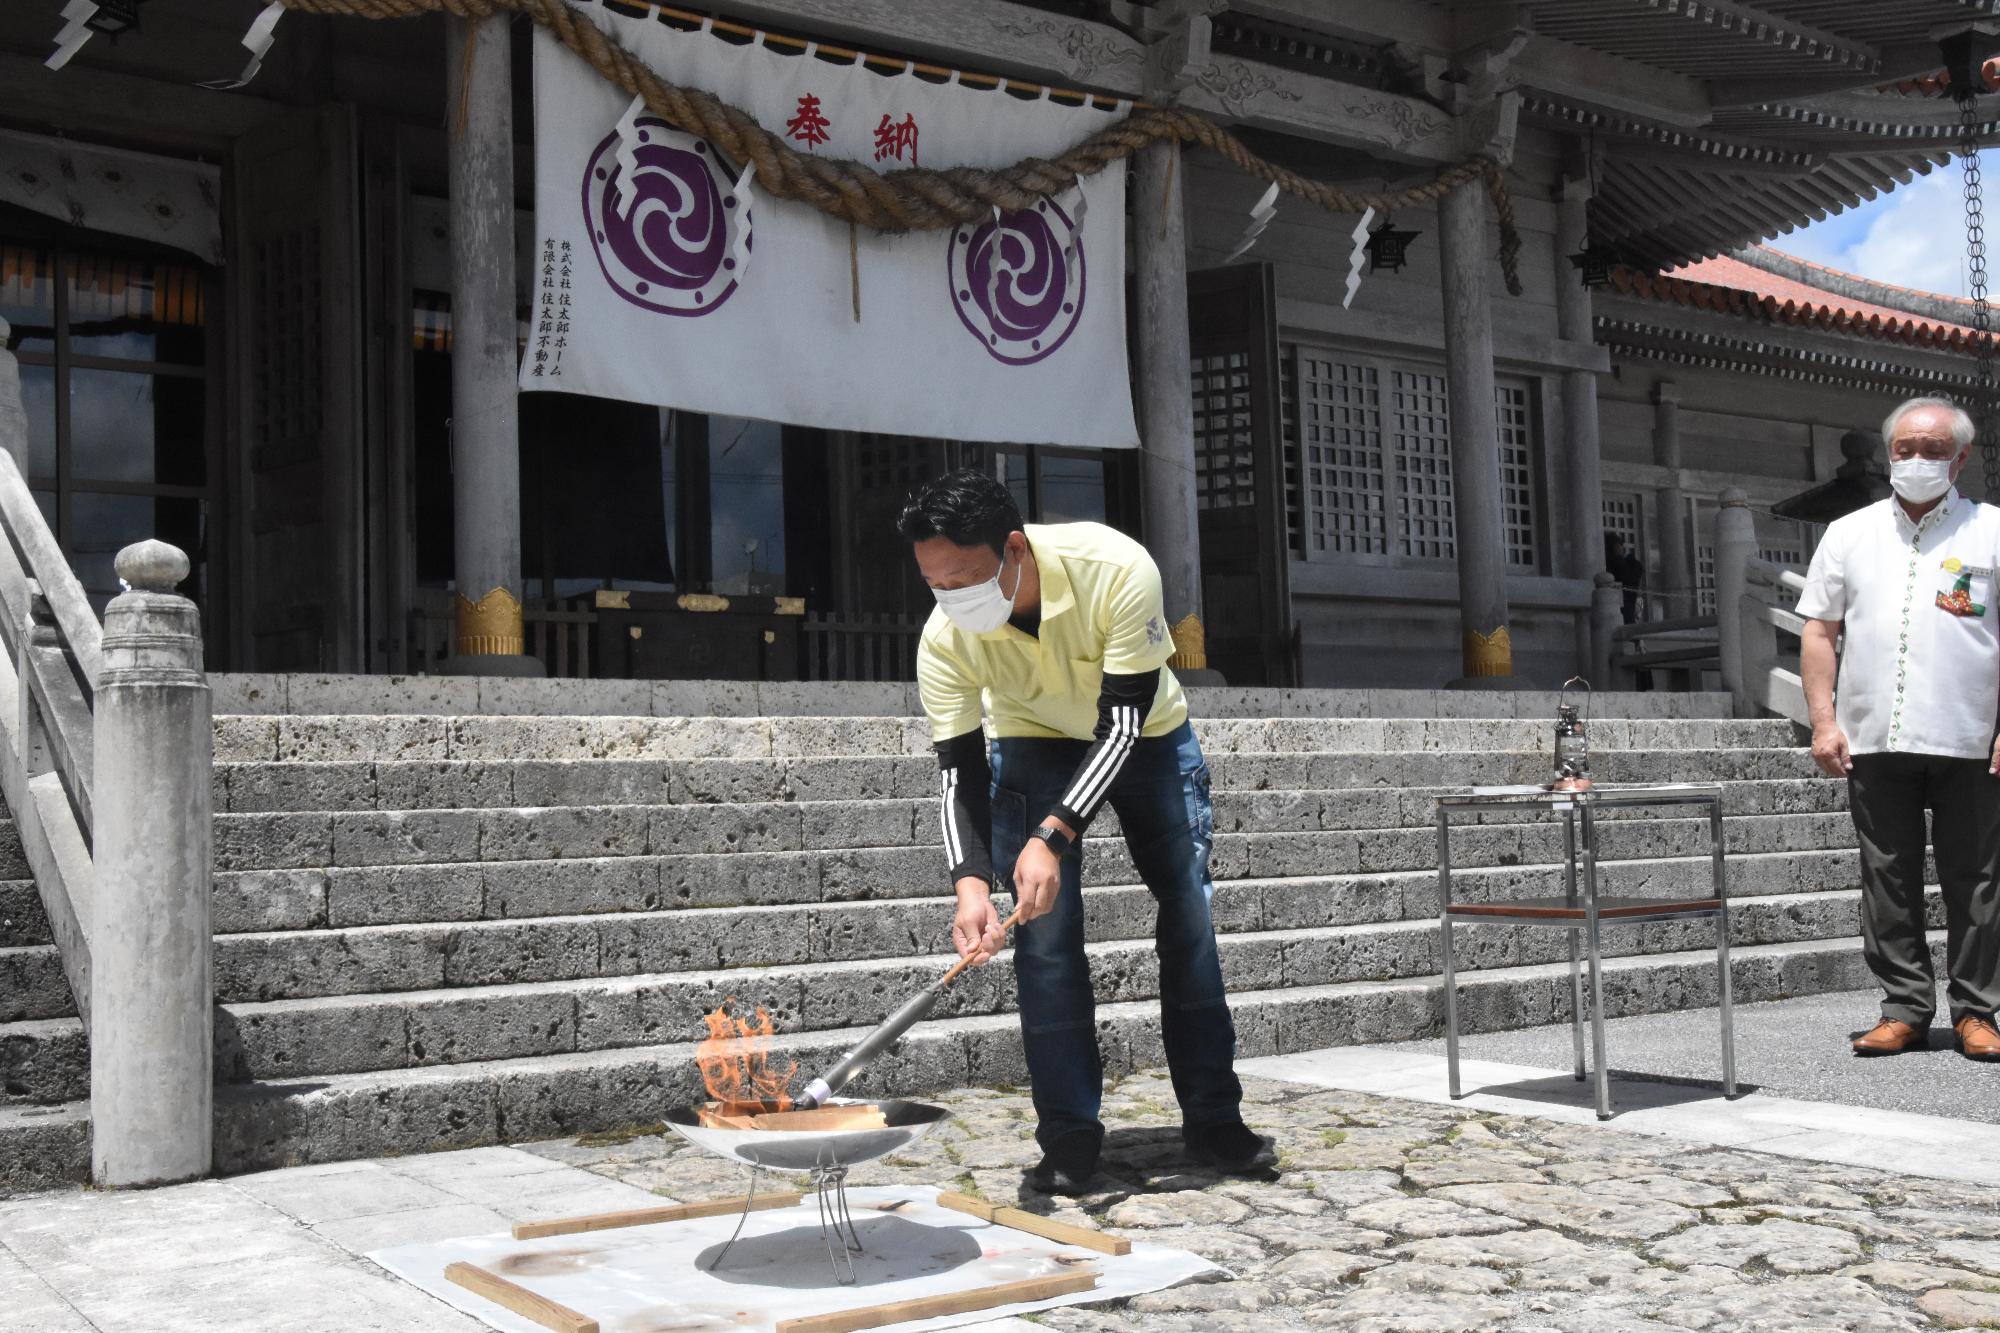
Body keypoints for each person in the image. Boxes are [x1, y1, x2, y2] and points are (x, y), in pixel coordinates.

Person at [898, 469, 1270, 1193]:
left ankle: (1215, 1116)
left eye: (965, 578)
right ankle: (1068, 1134)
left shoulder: (1118, 569)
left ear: (1012, 548)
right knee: (1043, 940)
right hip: (1032, 738)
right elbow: (957, 769)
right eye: (934, 584)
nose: (951, 599)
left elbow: (1122, 724)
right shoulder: (944, 639)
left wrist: (1052, 836)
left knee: (1189, 914)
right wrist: (969, 882)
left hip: (1147, 737)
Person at [1798, 396, 2000, 1062]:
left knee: (1978, 878)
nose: (1918, 460)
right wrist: (1823, 719)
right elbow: (1820, 630)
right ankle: (1905, 1007)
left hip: (1971, 739)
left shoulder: (1991, 531)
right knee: (1888, 875)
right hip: (1873, 738)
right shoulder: (1849, 533)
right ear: (1889, 455)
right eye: (1906, 448)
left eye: (1934, 449)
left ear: (1961, 457)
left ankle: (1978, 1009)